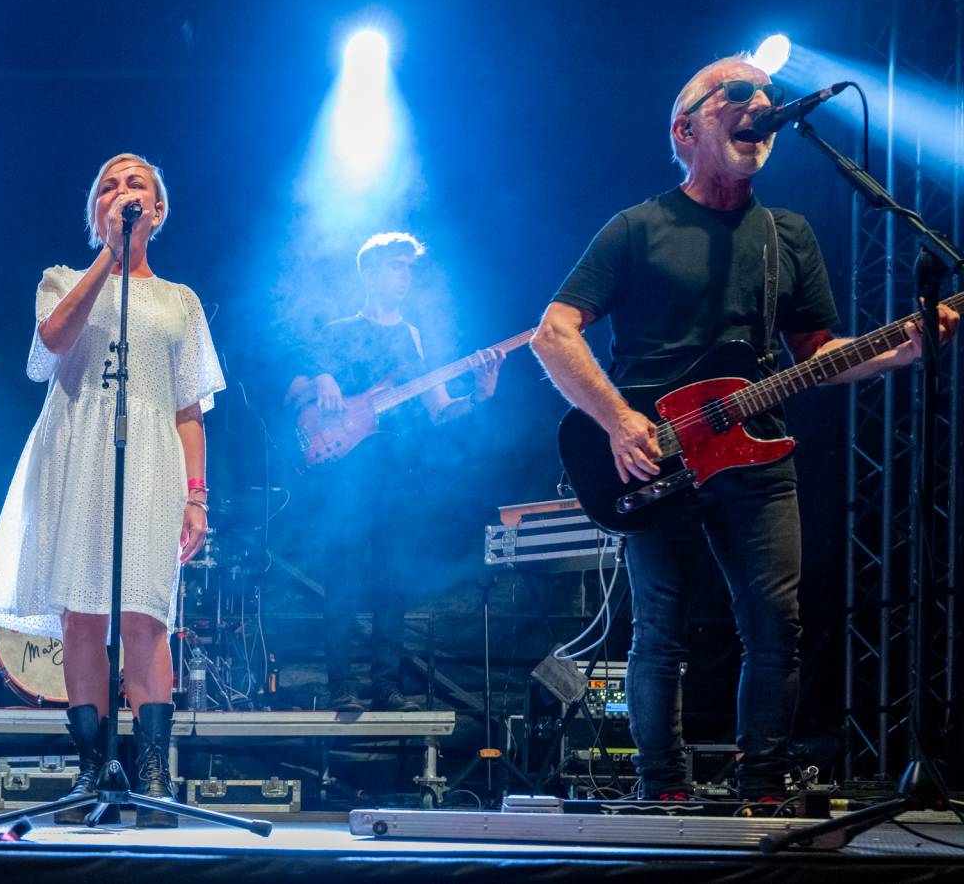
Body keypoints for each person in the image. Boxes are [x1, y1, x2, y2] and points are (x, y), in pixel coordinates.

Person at [530, 55, 959, 801]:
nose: (758, 103)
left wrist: (903, 349)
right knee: (659, 633)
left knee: (775, 626)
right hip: (651, 454)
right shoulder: (637, 228)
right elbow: (554, 333)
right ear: (685, 126)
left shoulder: (785, 236)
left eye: (766, 95)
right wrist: (620, 420)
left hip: (754, 450)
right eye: (735, 92)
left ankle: (761, 784)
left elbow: (817, 356)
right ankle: (657, 786)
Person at [0, 153, 223, 827]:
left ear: (159, 208)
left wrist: (197, 496)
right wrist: (105, 260)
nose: (122, 192)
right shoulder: (61, 278)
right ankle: (92, 770)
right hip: (77, 449)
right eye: (109, 186)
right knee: (80, 616)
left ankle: (153, 774)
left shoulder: (181, 301)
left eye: (134, 182)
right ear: (97, 213)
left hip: (152, 459)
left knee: (146, 616)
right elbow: (53, 341)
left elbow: (189, 409)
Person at [287, 233, 505, 712]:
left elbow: (439, 409)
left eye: (409, 268)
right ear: (368, 271)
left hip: (398, 469)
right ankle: (341, 683)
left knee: (394, 577)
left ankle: (387, 685)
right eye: (395, 266)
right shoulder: (337, 331)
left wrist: (480, 395)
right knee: (343, 575)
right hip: (348, 472)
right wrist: (321, 377)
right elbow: (292, 391)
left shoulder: (412, 336)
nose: (405, 276)